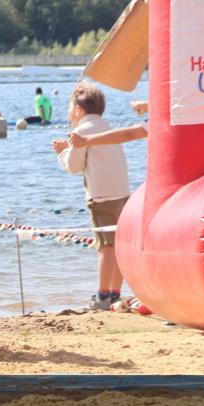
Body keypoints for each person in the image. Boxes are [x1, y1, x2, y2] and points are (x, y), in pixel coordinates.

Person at [52, 82, 130, 310]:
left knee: (105, 246)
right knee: (117, 243)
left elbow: (73, 165)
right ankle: (115, 293)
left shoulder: (80, 132)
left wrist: (61, 152)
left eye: (69, 107)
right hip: (122, 192)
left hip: (101, 195)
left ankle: (103, 295)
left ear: (78, 110)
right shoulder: (107, 126)